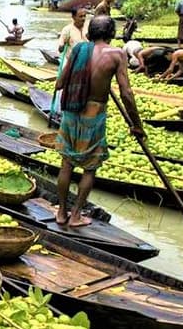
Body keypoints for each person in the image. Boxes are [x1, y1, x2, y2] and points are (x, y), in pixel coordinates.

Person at [54, 15, 144, 227]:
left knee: (66, 163)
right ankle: (75, 215)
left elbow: (60, 83)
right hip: (93, 113)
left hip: (71, 111)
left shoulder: (79, 50)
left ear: (90, 32)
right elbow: (127, 94)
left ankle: (61, 213)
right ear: (111, 33)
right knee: (90, 166)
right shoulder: (117, 54)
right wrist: (136, 124)